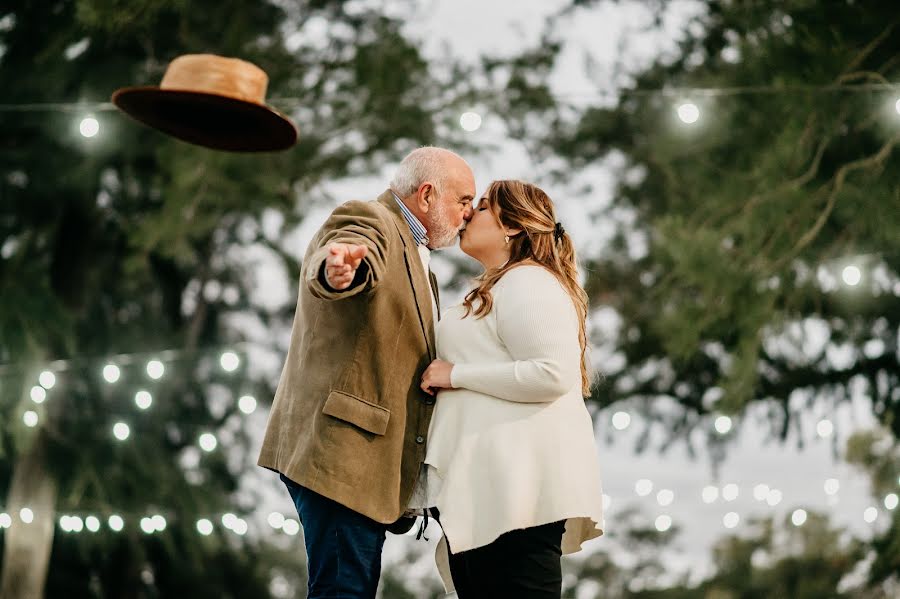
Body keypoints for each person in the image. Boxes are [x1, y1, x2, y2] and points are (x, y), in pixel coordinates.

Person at [257, 146, 475, 598]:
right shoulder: (372, 218)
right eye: (464, 200)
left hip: (363, 462)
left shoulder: (421, 257)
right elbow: (349, 253)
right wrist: (339, 272)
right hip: (342, 452)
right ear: (428, 194)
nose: (468, 215)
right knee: (344, 590)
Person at [417, 179, 605, 598]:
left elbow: (552, 374)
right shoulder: (497, 287)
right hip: (493, 492)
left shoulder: (529, 283)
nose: (467, 214)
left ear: (513, 227)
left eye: (481, 206)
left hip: (517, 498)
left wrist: (455, 374)